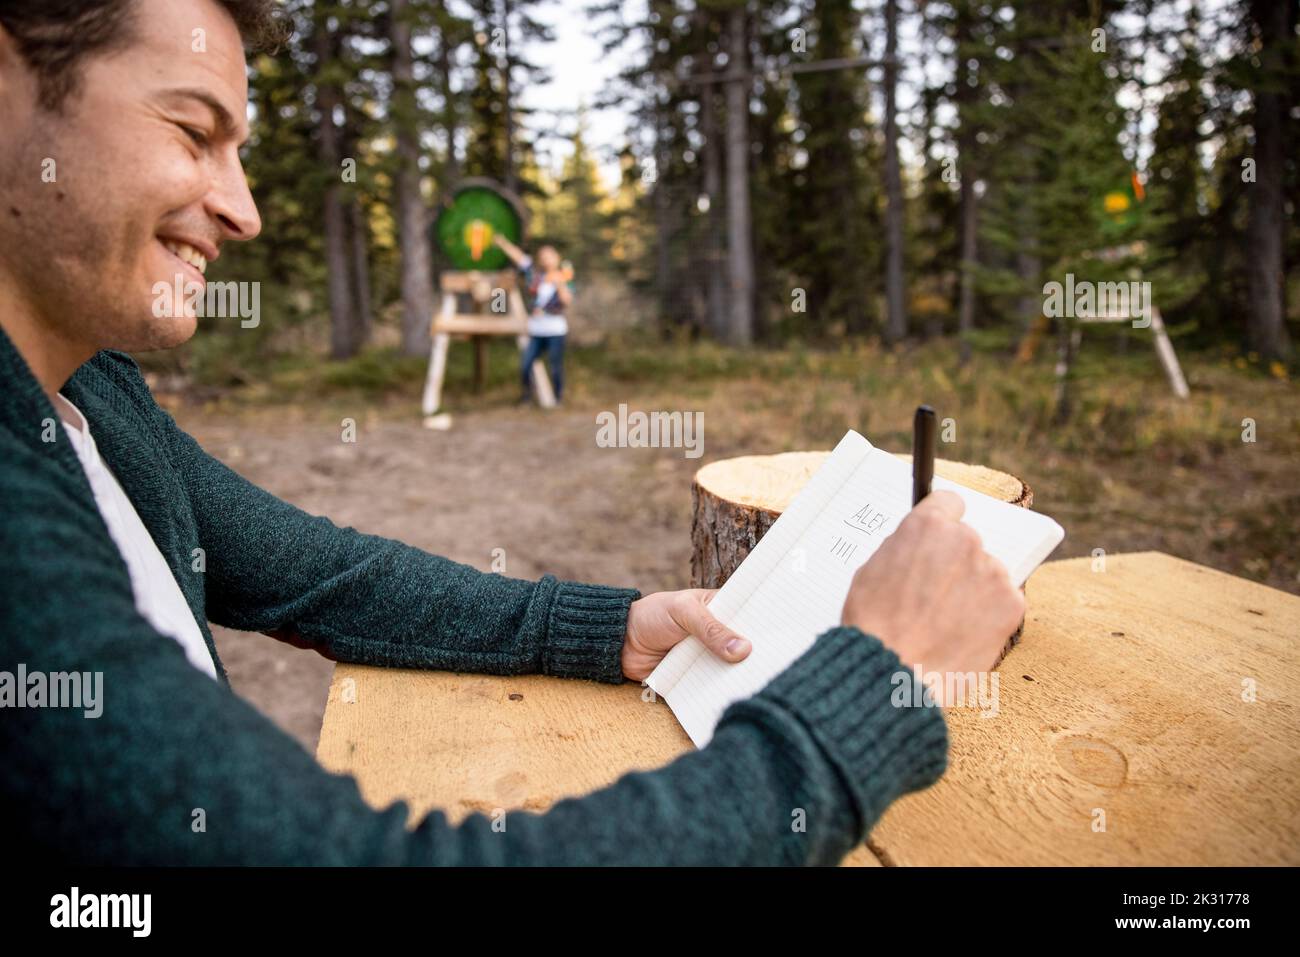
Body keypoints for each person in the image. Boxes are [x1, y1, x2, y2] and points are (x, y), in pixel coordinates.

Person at [0, 0, 1026, 865]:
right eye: (192, 133)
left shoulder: (93, 391)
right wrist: (872, 693)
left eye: (243, 153)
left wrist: (603, 629)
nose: (244, 208)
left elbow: (316, 574)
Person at [493, 234, 570, 405]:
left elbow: (567, 301)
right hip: (536, 329)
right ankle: (526, 397)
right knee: (526, 364)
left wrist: (560, 283)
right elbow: (520, 258)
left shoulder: (564, 276)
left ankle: (558, 399)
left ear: (557, 258)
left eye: (549, 256)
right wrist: (503, 242)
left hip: (555, 330)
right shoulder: (535, 276)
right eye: (543, 257)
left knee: (555, 366)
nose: (546, 260)